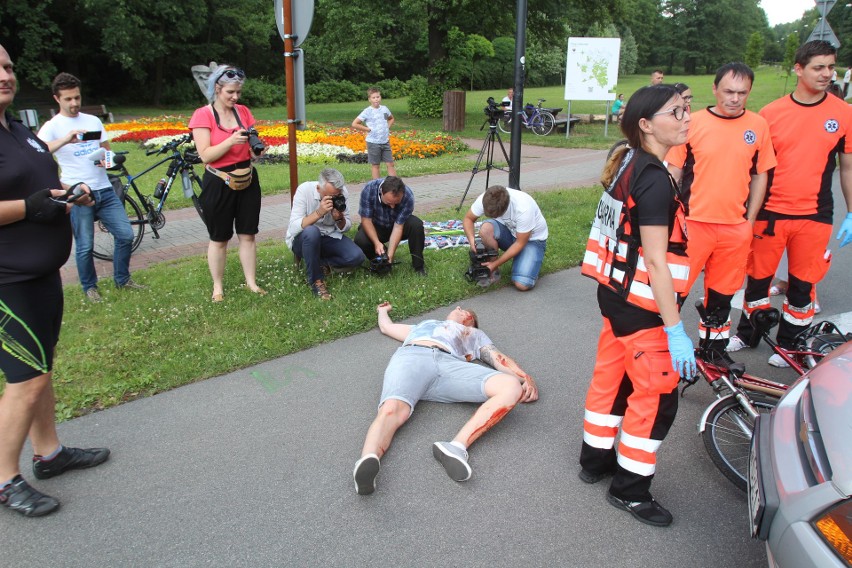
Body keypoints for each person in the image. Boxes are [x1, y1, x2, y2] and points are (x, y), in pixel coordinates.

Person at [0, 44, 110, 518]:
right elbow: (24, 202)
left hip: (41, 271)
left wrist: (67, 196)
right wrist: (31, 208)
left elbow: (36, 187)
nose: (4, 75)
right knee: (24, 381)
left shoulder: (18, 131)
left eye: (6, 65)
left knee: (41, 370)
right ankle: (4, 479)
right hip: (8, 280)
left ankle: (48, 454)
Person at [578, 85, 693, 528]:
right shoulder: (653, 179)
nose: (686, 118)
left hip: (614, 299)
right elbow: (658, 263)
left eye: (686, 109)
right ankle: (630, 491)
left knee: (611, 380)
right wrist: (675, 328)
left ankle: (595, 460)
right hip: (643, 307)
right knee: (654, 399)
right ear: (646, 124)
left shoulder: (628, 160)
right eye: (675, 112)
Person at [729, 41, 852, 367]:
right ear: (799, 69)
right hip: (771, 212)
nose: (827, 73)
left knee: (802, 285)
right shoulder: (771, 113)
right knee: (757, 279)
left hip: (815, 214)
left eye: (831, 66)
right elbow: (755, 169)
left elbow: (848, 167)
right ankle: (747, 333)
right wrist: (746, 213)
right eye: (818, 67)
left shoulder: (844, 114)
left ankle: (790, 344)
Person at [352, 302, 538, 495]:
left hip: (450, 367)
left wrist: (525, 378)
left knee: (510, 386)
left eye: (464, 311)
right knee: (393, 410)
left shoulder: (473, 334)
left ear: (471, 321)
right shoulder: (423, 326)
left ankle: (456, 448)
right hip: (413, 357)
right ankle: (368, 460)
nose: (458, 308)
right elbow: (386, 327)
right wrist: (382, 311)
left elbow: (497, 358)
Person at [665, 63, 776, 367]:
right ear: (714, 89)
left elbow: (760, 175)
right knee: (675, 292)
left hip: (734, 227)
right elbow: (673, 171)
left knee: (722, 295)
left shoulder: (758, 125)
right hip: (692, 225)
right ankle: (661, 351)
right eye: (729, 91)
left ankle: (713, 351)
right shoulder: (692, 123)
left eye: (742, 92)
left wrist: (750, 220)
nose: (735, 98)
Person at [37, 73, 144, 302]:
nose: (74, 103)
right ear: (57, 99)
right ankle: (90, 287)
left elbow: (106, 150)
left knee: (125, 235)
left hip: (104, 188)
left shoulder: (93, 121)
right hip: (77, 193)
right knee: (85, 246)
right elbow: (39, 151)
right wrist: (66, 139)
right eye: (68, 99)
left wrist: (106, 159)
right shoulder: (52, 127)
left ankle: (122, 279)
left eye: (77, 97)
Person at [189, 65, 266, 303]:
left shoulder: (243, 112)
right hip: (218, 181)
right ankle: (218, 287)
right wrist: (231, 141)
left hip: (247, 179)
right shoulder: (203, 115)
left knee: (248, 235)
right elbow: (205, 155)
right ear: (217, 89)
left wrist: (256, 153)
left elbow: (251, 144)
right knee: (219, 237)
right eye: (230, 92)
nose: (235, 97)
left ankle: (251, 283)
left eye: (238, 93)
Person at [285, 168, 365, 300]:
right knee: (312, 231)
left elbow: (346, 227)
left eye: (337, 195)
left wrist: (339, 218)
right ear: (318, 188)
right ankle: (317, 281)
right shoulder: (304, 190)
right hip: (304, 239)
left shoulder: (342, 192)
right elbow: (294, 227)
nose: (334, 199)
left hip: (329, 236)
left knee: (356, 257)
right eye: (330, 196)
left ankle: (322, 264)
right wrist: (319, 213)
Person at [462, 185, 549, 291]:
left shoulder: (523, 209)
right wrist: (472, 241)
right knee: (485, 229)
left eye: (494, 215)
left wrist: (495, 263)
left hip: (531, 241)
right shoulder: (487, 198)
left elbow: (519, 243)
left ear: (505, 209)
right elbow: (468, 219)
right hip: (510, 233)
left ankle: (528, 263)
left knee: (522, 284)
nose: (491, 217)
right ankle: (494, 271)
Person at [354, 176, 426, 276]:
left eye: (396, 203)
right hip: (377, 225)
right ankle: (380, 262)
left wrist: (390, 255)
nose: (392, 207)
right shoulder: (369, 189)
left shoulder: (408, 195)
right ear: (381, 192)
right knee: (360, 239)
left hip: (396, 225)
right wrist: (376, 243)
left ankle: (418, 267)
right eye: (389, 203)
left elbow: (398, 226)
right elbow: (366, 220)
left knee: (416, 225)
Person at [352, 87, 396, 180]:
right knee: (376, 165)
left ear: (380, 97)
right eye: (373, 97)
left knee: (390, 163)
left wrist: (387, 126)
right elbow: (355, 124)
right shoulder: (367, 111)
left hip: (385, 141)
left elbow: (391, 118)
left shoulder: (384, 109)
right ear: (369, 99)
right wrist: (367, 129)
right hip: (373, 142)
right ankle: (377, 185)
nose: (376, 99)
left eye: (378, 97)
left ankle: (394, 184)